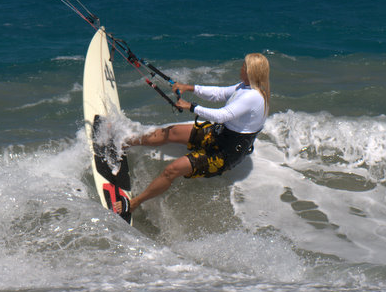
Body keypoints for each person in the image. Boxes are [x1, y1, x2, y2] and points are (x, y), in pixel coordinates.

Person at [113, 52, 270, 215]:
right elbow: (220, 94)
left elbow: (222, 115)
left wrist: (191, 106)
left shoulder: (253, 96)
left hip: (225, 152)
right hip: (218, 134)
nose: (241, 68)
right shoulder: (244, 86)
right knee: (171, 132)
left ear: (251, 71)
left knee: (171, 170)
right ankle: (124, 143)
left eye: (244, 66)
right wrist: (189, 87)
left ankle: (133, 204)